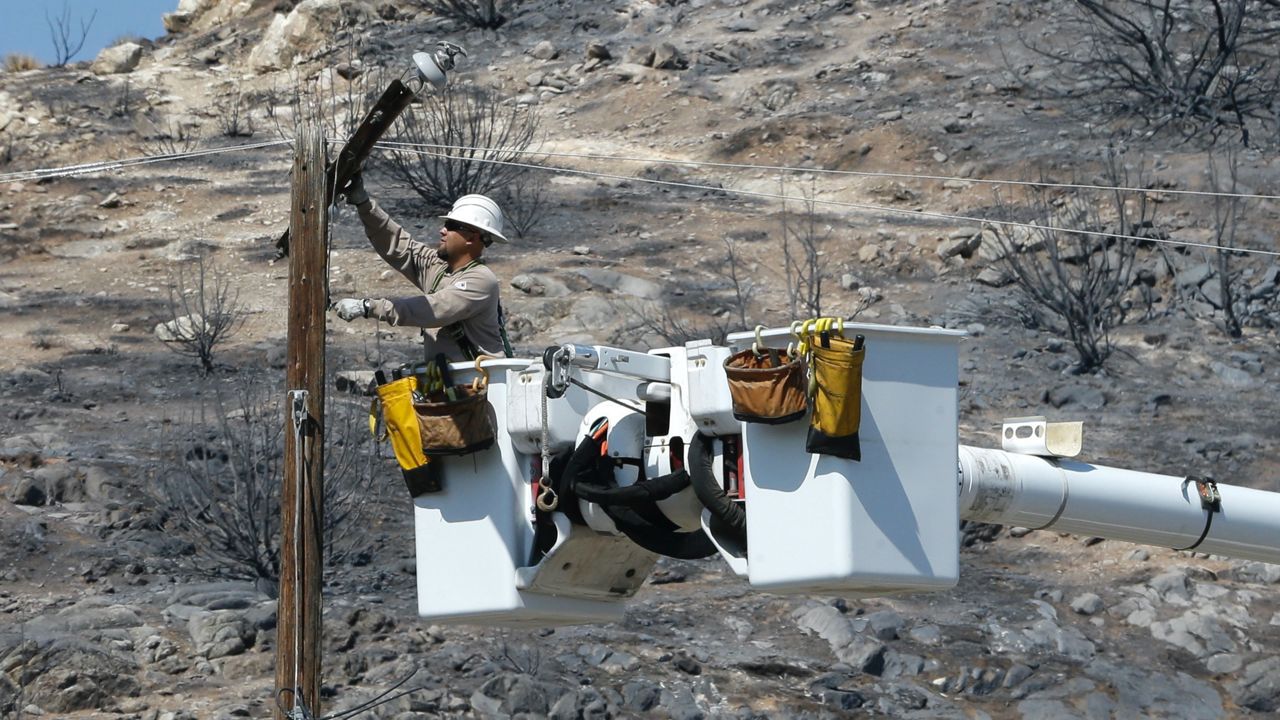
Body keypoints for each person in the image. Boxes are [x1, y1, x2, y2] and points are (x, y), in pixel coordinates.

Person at [332, 175, 512, 361]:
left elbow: (435, 309)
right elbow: (399, 245)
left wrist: (369, 307)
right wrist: (364, 204)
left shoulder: (481, 280)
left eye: (451, 226)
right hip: (447, 378)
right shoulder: (438, 268)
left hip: (480, 378)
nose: (442, 230)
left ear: (472, 238)